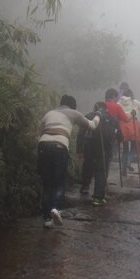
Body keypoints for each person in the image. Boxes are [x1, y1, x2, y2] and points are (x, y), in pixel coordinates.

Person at [38, 95, 100, 228]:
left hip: (43, 145)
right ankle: (56, 208)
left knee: (47, 183)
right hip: (60, 146)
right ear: (73, 106)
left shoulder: (49, 113)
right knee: (59, 182)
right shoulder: (74, 113)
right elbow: (92, 126)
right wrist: (98, 115)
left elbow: (40, 131)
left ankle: (47, 219)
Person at [78, 102, 123, 206]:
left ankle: (85, 186)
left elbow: (81, 133)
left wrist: (79, 150)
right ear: (106, 109)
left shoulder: (89, 116)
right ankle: (98, 197)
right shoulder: (113, 119)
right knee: (101, 170)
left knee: (87, 166)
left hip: (90, 145)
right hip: (105, 149)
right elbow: (120, 137)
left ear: (95, 108)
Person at [118, 89, 140, 173]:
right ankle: (129, 162)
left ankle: (123, 169)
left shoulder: (118, 103)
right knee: (133, 147)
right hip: (133, 125)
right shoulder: (134, 102)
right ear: (131, 95)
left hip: (122, 126)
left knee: (125, 149)